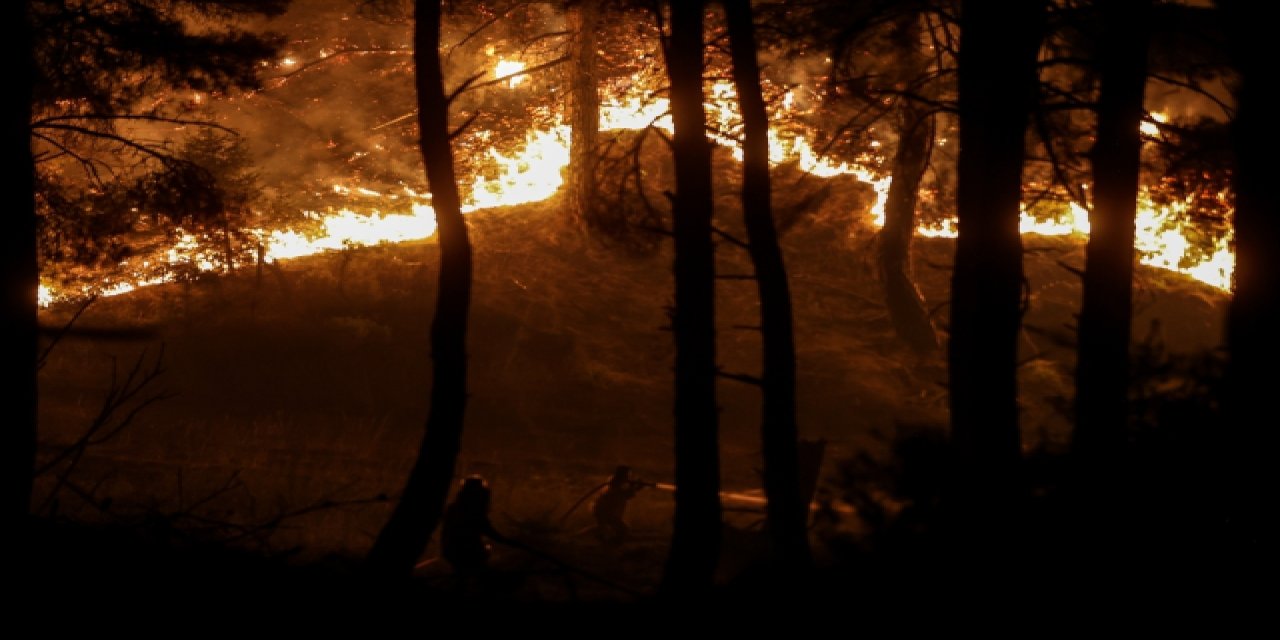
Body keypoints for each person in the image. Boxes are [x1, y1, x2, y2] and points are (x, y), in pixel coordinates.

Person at [440, 475, 499, 580]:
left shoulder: (453, 509)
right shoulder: (474, 511)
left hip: (451, 551)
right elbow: (491, 533)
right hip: (467, 552)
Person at [590, 465, 648, 544]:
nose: (629, 478)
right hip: (606, 512)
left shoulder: (617, 484)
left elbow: (626, 493)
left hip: (606, 511)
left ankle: (602, 539)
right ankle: (609, 545)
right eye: (627, 475)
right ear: (622, 475)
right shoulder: (614, 485)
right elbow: (626, 494)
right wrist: (635, 487)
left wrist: (635, 486)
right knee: (623, 531)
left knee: (605, 528)